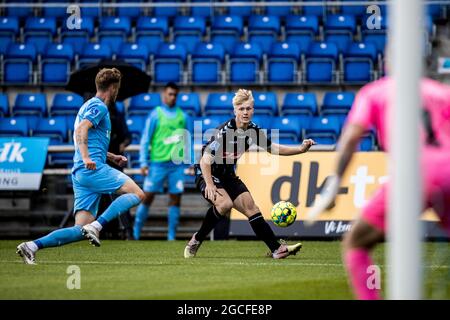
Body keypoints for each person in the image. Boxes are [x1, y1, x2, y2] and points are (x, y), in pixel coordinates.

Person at [306, 75, 450, 299]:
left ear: (388, 61)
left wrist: (333, 185)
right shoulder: (440, 91)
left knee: (356, 242)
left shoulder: (374, 92)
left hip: (413, 175)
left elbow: (352, 137)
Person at [16, 68, 145, 264]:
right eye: (117, 88)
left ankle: (32, 246)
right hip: (91, 169)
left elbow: (86, 137)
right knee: (137, 194)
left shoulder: (86, 106)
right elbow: (82, 130)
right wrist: (86, 157)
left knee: (80, 229)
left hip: (81, 172)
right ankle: (98, 226)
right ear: (112, 87)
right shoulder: (99, 107)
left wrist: (111, 156)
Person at [184, 89, 315, 259]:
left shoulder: (253, 131)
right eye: (241, 109)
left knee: (251, 208)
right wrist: (209, 183)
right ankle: (196, 240)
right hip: (207, 173)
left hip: (228, 175)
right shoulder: (224, 132)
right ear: (235, 111)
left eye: (248, 108)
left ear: (253, 109)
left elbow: (273, 149)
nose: (245, 112)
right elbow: (205, 159)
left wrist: (300, 149)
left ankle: (276, 249)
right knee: (224, 204)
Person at [133, 82, 192, 241]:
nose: (172, 97)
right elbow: (146, 139)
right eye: (170, 94)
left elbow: (188, 140)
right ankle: (135, 233)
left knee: (175, 199)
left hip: (177, 165)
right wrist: (143, 162)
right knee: (147, 197)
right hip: (157, 164)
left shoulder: (183, 116)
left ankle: (171, 236)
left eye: (175, 94)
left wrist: (191, 161)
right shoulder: (155, 114)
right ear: (164, 95)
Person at [98, 101, 133, 240]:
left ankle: (126, 229)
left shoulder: (116, 116)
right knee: (103, 198)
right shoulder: (98, 116)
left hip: (114, 161)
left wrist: (123, 144)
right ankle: (104, 230)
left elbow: (127, 137)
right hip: (101, 161)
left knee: (118, 196)